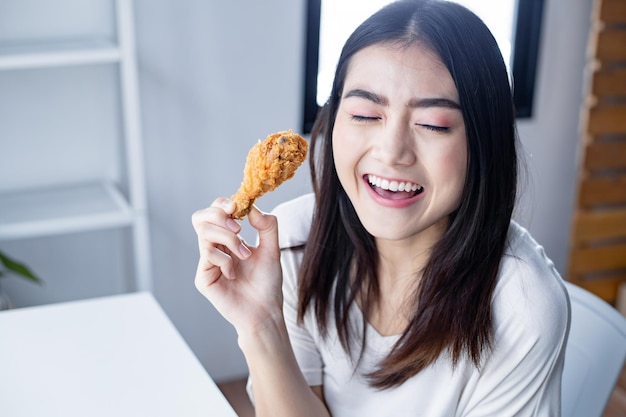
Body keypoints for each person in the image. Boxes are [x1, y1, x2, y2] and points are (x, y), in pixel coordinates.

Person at [191, 0, 570, 415]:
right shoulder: (291, 241)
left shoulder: (523, 308)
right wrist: (262, 327)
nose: (391, 152)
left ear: (485, 142)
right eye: (366, 114)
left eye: (433, 124)